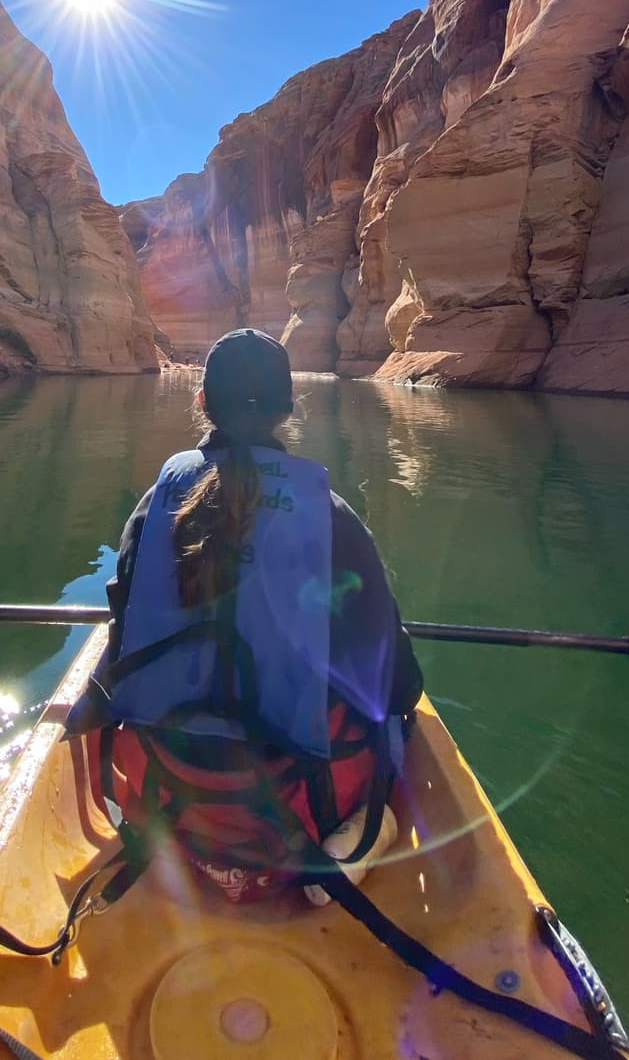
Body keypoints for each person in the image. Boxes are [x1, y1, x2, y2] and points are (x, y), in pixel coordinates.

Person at [71, 327, 423, 900]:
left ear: (202, 402)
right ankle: (344, 850)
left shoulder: (151, 508)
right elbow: (399, 688)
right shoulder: (330, 518)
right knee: (392, 719)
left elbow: (126, 627)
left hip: (165, 785)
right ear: (288, 410)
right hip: (293, 800)